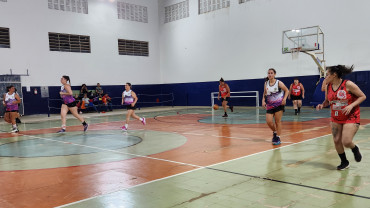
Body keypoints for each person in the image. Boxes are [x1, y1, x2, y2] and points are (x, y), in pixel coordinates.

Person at [316, 65, 366, 170]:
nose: (326, 77)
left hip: (351, 116)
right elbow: (327, 101)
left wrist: (351, 105)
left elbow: (363, 96)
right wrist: (322, 105)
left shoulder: (348, 84)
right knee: (336, 140)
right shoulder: (328, 86)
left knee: (346, 141)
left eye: (327, 74)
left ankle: (354, 149)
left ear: (334, 75)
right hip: (336, 117)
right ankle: (344, 162)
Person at [262, 68, 289, 145]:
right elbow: (264, 93)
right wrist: (263, 101)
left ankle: (278, 137)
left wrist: (284, 99)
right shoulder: (266, 83)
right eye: (269, 73)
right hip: (270, 105)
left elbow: (287, 90)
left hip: (278, 105)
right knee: (269, 121)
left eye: (271, 73)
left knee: (278, 122)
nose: (270, 74)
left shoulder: (278, 83)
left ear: (274, 74)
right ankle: (274, 132)